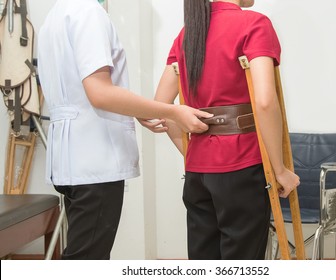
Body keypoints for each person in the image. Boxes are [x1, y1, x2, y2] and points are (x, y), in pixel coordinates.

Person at [37, 0, 212, 260]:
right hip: (94, 158)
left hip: (70, 157)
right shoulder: (89, 13)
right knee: (87, 259)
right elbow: (100, 93)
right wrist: (173, 111)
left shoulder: (56, 14)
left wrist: (144, 110)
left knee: (84, 251)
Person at [140, 0, 300, 260]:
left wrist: (192, 154)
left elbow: (162, 111)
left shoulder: (187, 35)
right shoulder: (254, 24)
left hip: (197, 173)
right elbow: (265, 101)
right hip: (242, 165)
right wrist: (280, 170)